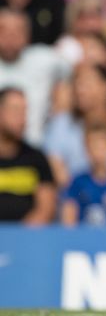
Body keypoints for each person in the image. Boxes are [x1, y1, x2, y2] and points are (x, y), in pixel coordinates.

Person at [0, 8, 70, 145]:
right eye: (3, 30)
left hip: (36, 146)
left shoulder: (45, 58)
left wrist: (63, 97)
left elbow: (78, 70)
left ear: (28, 35)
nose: (10, 37)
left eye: (17, 31)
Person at [61, 124, 106, 226]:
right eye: (94, 147)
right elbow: (69, 217)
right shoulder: (77, 182)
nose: (98, 153)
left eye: (102, 147)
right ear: (86, 150)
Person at [0, 87, 56, 224]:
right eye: (15, 110)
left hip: (26, 241)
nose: (22, 118)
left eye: (24, 111)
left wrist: (21, 237)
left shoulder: (36, 158)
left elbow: (46, 208)